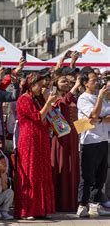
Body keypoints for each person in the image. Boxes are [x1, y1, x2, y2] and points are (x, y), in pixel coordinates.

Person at [14, 72, 56, 219]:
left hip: (42, 138)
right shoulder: (23, 100)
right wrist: (48, 102)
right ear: (31, 85)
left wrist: (47, 100)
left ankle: (41, 209)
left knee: (42, 172)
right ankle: (28, 210)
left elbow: (50, 116)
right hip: (29, 140)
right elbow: (38, 116)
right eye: (39, 84)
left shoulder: (38, 99)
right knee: (30, 172)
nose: (41, 87)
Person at [76, 72, 110, 217]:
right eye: (93, 80)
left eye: (97, 80)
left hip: (103, 138)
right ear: (85, 83)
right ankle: (82, 204)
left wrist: (100, 118)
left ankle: (95, 203)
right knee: (88, 175)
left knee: (101, 175)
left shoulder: (99, 97)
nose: (97, 82)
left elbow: (105, 117)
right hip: (89, 140)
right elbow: (94, 115)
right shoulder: (83, 98)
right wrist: (100, 115)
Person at [51, 70, 81, 212]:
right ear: (56, 83)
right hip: (62, 137)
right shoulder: (53, 97)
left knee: (72, 168)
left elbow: (78, 116)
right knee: (62, 166)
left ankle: (71, 202)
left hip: (74, 135)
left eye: (68, 82)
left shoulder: (74, 98)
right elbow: (62, 102)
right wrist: (75, 86)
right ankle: (59, 202)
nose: (67, 84)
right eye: (63, 81)